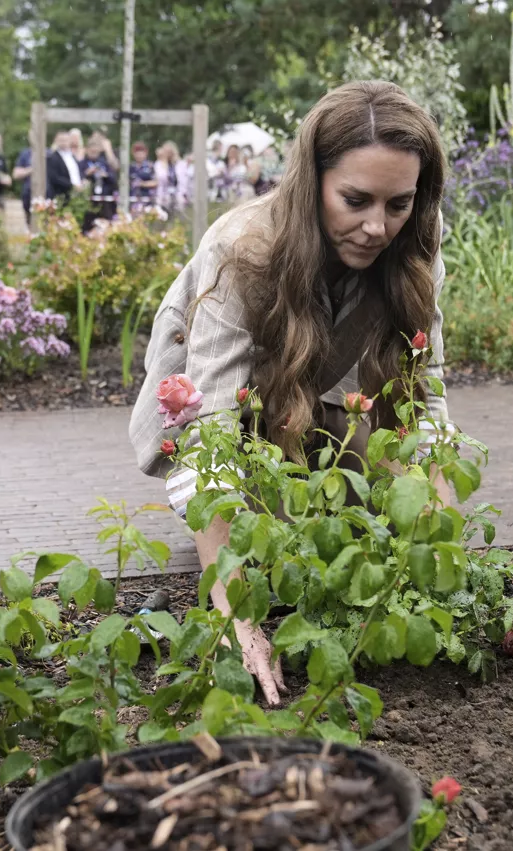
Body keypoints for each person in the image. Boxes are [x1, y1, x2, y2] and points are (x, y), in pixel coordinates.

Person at [129, 81, 453, 706]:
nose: (377, 226)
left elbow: (426, 402)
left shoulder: (415, 246)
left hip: (304, 390)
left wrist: (438, 562)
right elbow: (212, 431)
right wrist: (237, 618)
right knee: (250, 535)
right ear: (312, 181)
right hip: (204, 397)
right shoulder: (243, 248)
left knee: (363, 507)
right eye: (355, 199)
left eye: (398, 203)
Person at [78, 131, 118, 231]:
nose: (94, 151)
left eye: (96, 150)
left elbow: (114, 179)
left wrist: (106, 176)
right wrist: (87, 174)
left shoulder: (103, 162)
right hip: (89, 200)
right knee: (88, 226)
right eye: (91, 150)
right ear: (87, 150)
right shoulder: (82, 163)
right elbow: (78, 178)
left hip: (105, 200)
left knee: (107, 225)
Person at [48, 128, 82, 205]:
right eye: (61, 140)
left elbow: (76, 172)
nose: (63, 143)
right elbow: (55, 178)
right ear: (56, 141)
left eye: (65, 140)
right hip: (61, 196)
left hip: (76, 195)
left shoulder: (72, 156)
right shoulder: (52, 157)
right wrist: (72, 186)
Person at [154, 141, 188, 215]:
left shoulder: (181, 164)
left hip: (178, 196)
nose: (169, 155)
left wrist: (183, 195)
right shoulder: (159, 164)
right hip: (163, 197)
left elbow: (183, 181)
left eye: (170, 152)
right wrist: (164, 161)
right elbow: (162, 178)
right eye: (166, 152)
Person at [129, 141, 157, 212]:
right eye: (137, 153)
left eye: (141, 153)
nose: (139, 155)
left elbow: (156, 182)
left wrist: (142, 184)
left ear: (145, 153)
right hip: (133, 200)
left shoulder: (150, 166)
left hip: (147, 200)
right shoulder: (131, 167)